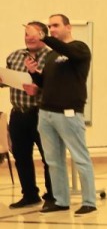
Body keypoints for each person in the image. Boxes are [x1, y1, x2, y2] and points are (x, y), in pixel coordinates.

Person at [25, 13, 96, 215]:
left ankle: (89, 201)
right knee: (53, 160)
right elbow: (45, 83)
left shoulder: (79, 48)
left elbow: (68, 51)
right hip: (46, 113)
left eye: (55, 25)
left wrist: (44, 37)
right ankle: (61, 200)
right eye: (49, 26)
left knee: (79, 157)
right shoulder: (52, 56)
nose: (52, 29)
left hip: (69, 113)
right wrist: (33, 73)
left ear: (68, 27)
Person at [4, 22, 54, 208]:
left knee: (48, 157)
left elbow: (57, 84)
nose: (29, 38)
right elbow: (10, 80)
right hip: (18, 113)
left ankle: (52, 195)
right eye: (26, 34)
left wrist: (39, 87)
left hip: (41, 113)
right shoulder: (14, 56)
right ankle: (30, 194)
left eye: (33, 34)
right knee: (21, 155)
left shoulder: (52, 57)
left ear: (44, 35)